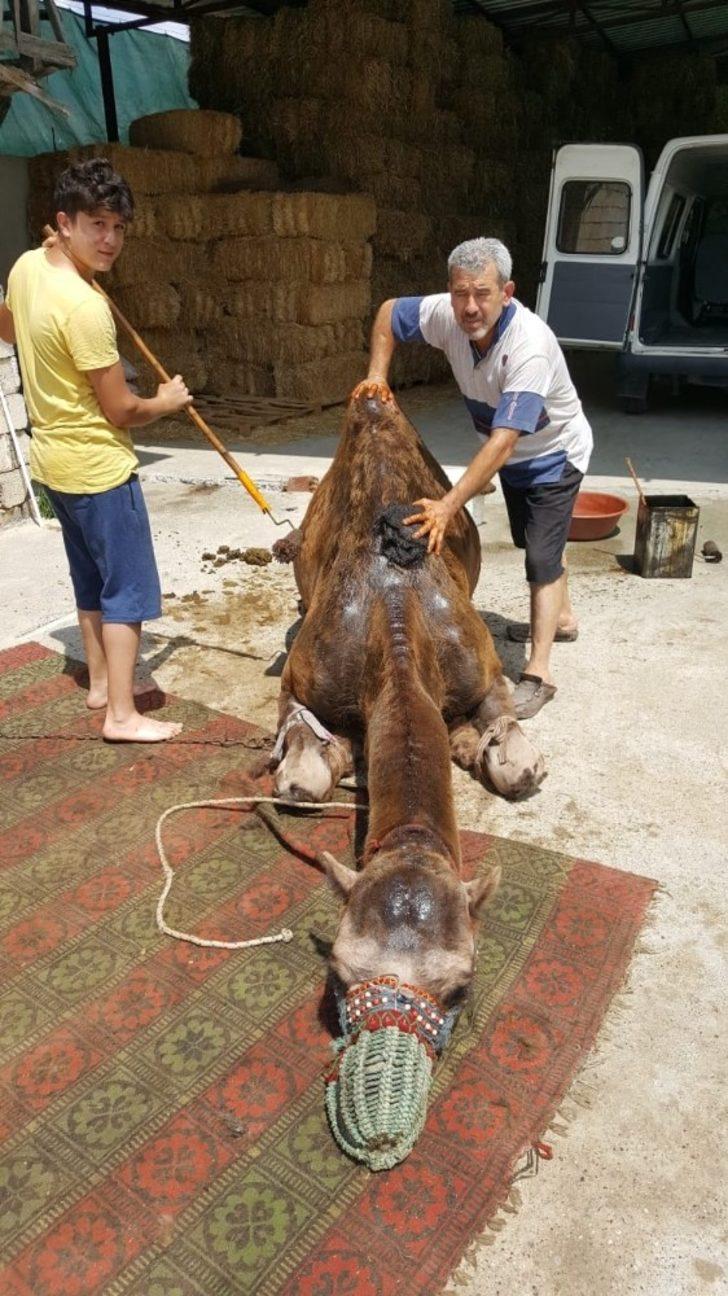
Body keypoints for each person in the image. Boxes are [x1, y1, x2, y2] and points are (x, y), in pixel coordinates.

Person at [0, 158, 192, 741]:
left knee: (89, 581)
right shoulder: (87, 309)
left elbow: (8, 330)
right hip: (100, 467)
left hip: (52, 463)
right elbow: (121, 410)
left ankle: (105, 685)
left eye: (119, 227)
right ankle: (122, 717)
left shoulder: (29, 267)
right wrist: (166, 399)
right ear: (64, 221)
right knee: (126, 591)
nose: (110, 240)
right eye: (96, 225)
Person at [363, 236, 593, 720]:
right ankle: (564, 617)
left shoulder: (528, 346)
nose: (470, 306)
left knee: (540, 558)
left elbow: (506, 439)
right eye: (461, 293)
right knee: (533, 540)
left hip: (554, 454)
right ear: (449, 290)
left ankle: (540, 672)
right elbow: (387, 313)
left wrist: (449, 504)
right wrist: (378, 376)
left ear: (506, 291)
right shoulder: (446, 314)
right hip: (513, 456)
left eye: (483, 293)